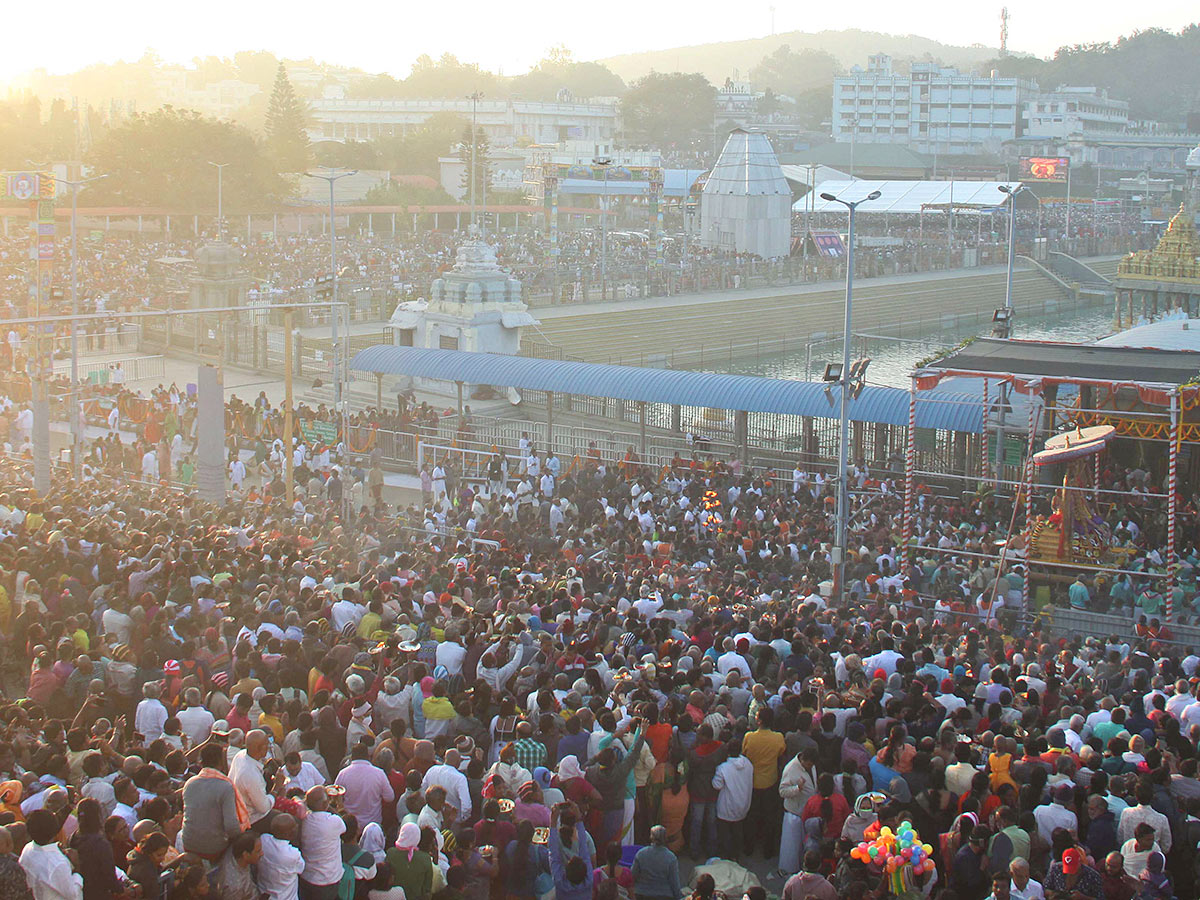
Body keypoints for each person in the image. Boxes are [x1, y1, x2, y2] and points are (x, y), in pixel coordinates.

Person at [20, 808, 83, 900]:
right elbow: (73, 895)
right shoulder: (57, 864)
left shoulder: (27, 849)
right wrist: (77, 868)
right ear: (55, 832)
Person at [302, 786, 348, 900]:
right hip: (327, 879)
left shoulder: (305, 820)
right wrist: (330, 805)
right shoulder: (333, 821)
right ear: (324, 804)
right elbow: (343, 826)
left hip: (308, 877)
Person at [712, 738, 753, 862]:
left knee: (725, 835)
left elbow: (716, 785)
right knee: (737, 832)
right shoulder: (748, 764)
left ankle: (725, 858)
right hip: (743, 804)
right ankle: (736, 855)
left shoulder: (723, 768)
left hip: (726, 806)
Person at [259, 813, 306, 900]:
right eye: (295, 827)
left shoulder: (263, 839)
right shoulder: (293, 854)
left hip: (264, 893)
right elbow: (301, 869)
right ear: (290, 834)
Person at [631, 826, 680, 900]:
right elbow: (674, 883)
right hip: (664, 896)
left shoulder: (641, 853)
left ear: (651, 837)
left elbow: (633, 875)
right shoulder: (671, 858)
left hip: (641, 895)